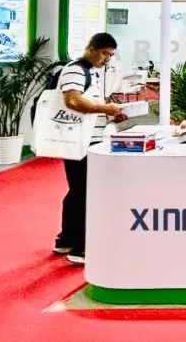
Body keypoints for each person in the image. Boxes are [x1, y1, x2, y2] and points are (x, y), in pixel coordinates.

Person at [54, 33, 125, 266]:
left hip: (87, 141)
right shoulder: (75, 70)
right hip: (80, 143)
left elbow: (88, 104)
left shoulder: (90, 72)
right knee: (85, 193)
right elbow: (73, 101)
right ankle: (81, 248)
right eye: (105, 54)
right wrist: (105, 108)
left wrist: (109, 113)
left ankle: (66, 239)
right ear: (91, 49)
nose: (107, 59)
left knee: (77, 192)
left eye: (110, 55)